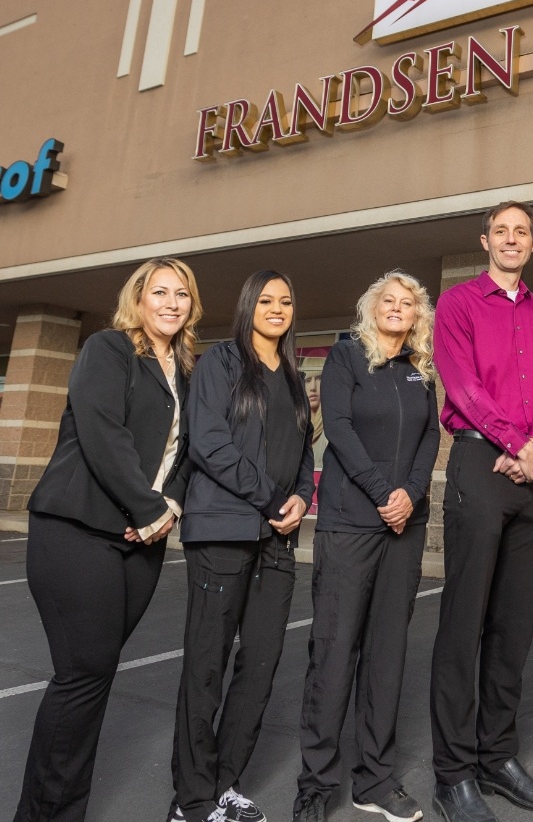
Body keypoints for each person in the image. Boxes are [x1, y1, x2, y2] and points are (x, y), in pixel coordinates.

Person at [14, 256, 202, 822]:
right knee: (82, 676)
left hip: (140, 541)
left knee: (94, 678)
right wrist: (149, 509)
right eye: (160, 292)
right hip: (78, 531)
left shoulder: (188, 373)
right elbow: (103, 434)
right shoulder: (110, 349)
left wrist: (168, 506)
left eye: (182, 295)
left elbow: (188, 456)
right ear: (138, 299)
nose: (171, 303)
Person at [430, 200, 533, 822]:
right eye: (501, 231)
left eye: (521, 233)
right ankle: (453, 773)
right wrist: (518, 444)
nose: (511, 240)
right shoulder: (458, 305)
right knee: (465, 623)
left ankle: (497, 756)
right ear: (485, 240)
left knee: (513, 626)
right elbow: (462, 387)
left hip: (532, 478)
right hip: (480, 467)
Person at [294, 271, 441, 822]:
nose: (397, 308)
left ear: (417, 315)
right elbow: (339, 426)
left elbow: (431, 435)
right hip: (352, 523)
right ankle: (314, 786)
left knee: (387, 655)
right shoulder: (346, 358)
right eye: (389, 300)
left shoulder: (420, 369)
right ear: (371, 307)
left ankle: (374, 780)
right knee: (333, 655)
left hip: (405, 528)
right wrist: (385, 493)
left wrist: (412, 493)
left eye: (408, 303)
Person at [169, 270, 315, 822]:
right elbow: (208, 443)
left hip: (276, 539)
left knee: (260, 664)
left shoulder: (295, 376)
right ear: (249, 304)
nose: (277, 308)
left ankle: (225, 782)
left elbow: (305, 452)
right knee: (206, 665)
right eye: (267, 300)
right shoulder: (221, 364)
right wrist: (271, 499)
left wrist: (301, 497)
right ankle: (192, 799)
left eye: (286, 300)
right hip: (223, 532)